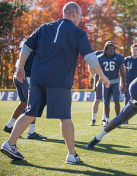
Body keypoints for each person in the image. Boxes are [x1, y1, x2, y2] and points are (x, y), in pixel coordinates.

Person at [0, 2, 109, 165]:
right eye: (80, 15)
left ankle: (10, 144)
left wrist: (20, 68)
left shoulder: (44, 27)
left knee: (30, 112)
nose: (80, 18)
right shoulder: (78, 33)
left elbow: (26, 46)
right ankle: (72, 155)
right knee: (65, 117)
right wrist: (102, 76)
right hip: (58, 79)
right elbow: (90, 57)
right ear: (73, 14)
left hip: (37, 77)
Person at [3, 39, 47, 140]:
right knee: (34, 104)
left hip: (17, 75)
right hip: (26, 76)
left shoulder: (25, 41)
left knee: (24, 103)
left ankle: (9, 126)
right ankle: (31, 132)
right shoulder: (37, 43)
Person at [97, 42, 126, 127]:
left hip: (115, 82)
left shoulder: (119, 57)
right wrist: (95, 84)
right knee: (106, 102)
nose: (112, 51)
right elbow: (97, 72)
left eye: (113, 49)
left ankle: (118, 120)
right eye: (110, 49)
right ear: (106, 50)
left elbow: (122, 73)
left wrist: (124, 85)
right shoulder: (100, 58)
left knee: (116, 100)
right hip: (105, 83)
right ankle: (107, 120)